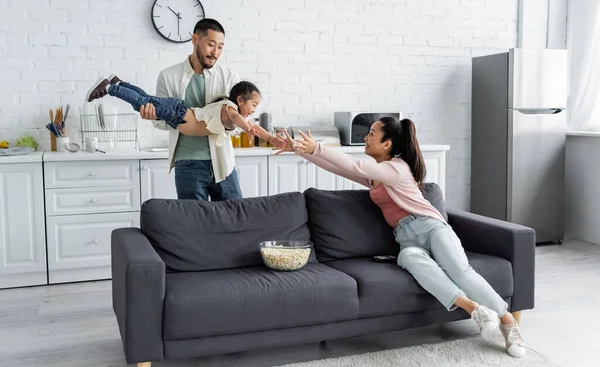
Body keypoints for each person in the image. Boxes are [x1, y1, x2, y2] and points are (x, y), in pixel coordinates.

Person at [273, 118, 526, 358]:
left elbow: (355, 165)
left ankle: (509, 323)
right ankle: (474, 309)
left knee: (460, 271)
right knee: (408, 258)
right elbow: (338, 167)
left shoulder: (397, 168)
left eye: (372, 134)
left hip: (431, 227)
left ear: (387, 144)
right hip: (407, 239)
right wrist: (299, 150)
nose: (366, 137)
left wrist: (317, 146)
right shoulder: (376, 175)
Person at [139, 18, 245, 201]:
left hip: (223, 162)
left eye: (220, 47)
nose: (216, 53)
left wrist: (231, 122)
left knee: (236, 218)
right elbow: (163, 123)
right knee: (194, 224)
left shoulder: (229, 77)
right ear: (195, 39)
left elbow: (237, 126)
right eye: (211, 45)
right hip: (188, 163)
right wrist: (154, 117)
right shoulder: (168, 76)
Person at [86, 77, 280, 148]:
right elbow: (239, 118)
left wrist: (272, 138)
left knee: (146, 99)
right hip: (178, 112)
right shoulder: (229, 107)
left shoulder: (237, 116)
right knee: (142, 103)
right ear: (240, 100)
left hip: (175, 116)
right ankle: (110, 88)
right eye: (254, 105)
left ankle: (121, 83)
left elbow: (256, 128)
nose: (255, 110)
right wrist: (246, 127)